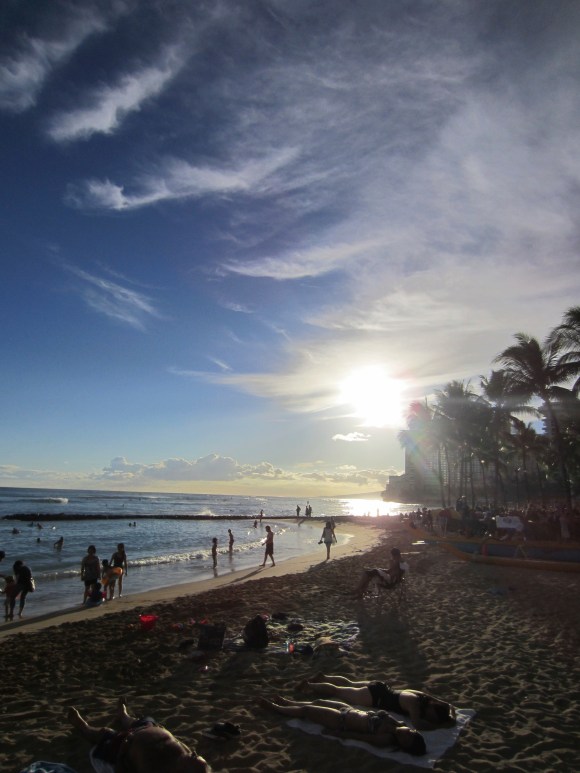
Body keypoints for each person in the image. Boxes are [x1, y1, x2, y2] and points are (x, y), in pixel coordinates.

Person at [67, 699, 210, 773]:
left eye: (194, 757)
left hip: (125, 743)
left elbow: (122, 765)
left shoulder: (154, 768)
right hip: (147, 727)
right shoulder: (184, 756)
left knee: (104, 733)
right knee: (140, 720)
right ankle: (124, 716)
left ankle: (83, 727)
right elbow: (176, 741)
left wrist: (126, 742)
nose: (193, 753)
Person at [255, 695, 426, 755]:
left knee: (307, 711)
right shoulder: (396, 723)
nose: (404, 735)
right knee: (318, 702)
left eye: (404, 741)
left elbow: (360, 737)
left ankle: (276, 708)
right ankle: (289, 703)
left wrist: (338, 734)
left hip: (341, 721)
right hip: (349, 710)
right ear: (412, 730)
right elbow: (381, 713)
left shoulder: (386, 738)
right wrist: (396, 723)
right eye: (409, 734)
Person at [299, 674, 456, 729]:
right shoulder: (414, 704)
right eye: (433, 716)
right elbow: (417, 724)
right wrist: (439, 726)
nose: (430, 718)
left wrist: (451, 715)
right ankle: (309, 685)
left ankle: (324, 677)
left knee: (350, 684)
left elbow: (448, 705)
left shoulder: (424, 698)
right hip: (373, 697)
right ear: (432, 709)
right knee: (338, 691)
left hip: (381, 687)